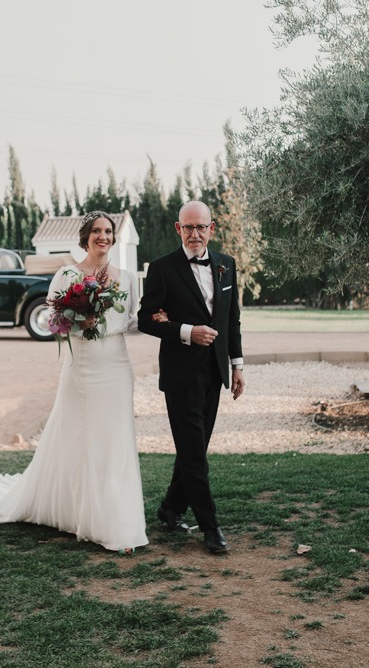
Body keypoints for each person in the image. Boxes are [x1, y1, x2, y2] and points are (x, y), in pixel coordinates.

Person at [0, 211, 147, 554]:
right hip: (81, 368)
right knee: (78, 438)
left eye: (108, 231)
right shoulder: (67, 274)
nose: (103, 237)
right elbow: (55, 321)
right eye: (96, 231)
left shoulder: (125, 278)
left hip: (116, 368)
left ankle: (117, 520)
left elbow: (128, 320)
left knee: (115, 440)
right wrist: (81, 319)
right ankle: (80, 513)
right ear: (85, 237)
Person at [137, 200, 245, 555]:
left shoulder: (227, 266)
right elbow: (145, 318)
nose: (195, 234)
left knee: (193, 448)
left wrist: (237, 364)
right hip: (181, 374)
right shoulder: (163, 269)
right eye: (188, 227)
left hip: (215, 371)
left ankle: (170, 509)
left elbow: (231, 321)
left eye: (201, 227)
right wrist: (186, 331)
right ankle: (210, 527)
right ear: (177, 229)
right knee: (195, 454)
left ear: (212, 229)